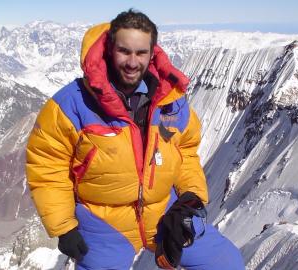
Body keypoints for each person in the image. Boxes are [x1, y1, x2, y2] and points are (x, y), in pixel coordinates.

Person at [26, 9, 244, 270]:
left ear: (152, 53)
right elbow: (48, 165)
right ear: (109, 49)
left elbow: (184, 149)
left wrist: (191, 198)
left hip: (163, 211)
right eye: (124, 51)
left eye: (141, 52)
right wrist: (63, 227)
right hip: (101, 221)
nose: (132, 62)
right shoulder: (71, 104)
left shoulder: (169, 102)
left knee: (226, 262)